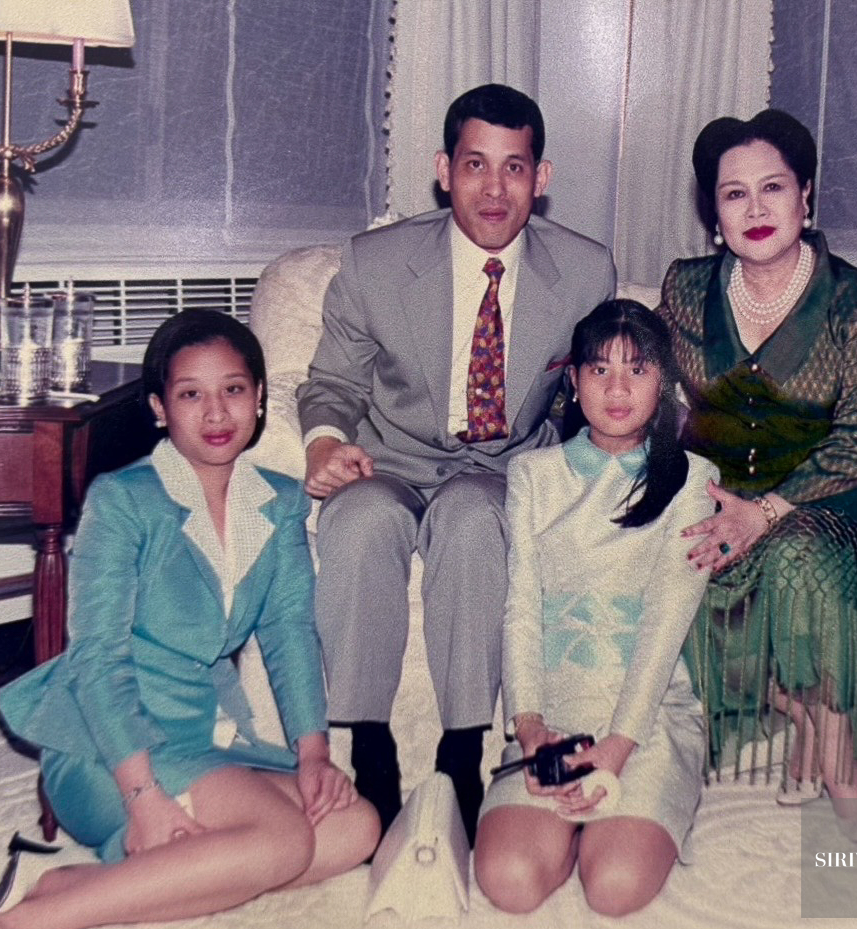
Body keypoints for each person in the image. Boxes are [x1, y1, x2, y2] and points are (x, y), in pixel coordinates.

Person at [296, 83, 616, 842]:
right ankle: (368, 745)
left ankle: (462, 748)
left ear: (541, 178)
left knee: (473, 518)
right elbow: (332, 383)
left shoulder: (585, 271)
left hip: (503, 469)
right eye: (476, 165)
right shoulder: (375, 263)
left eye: (514, 168)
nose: (494, 189)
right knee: (360, 521)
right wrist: (325, 444)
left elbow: (591, 396)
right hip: (390, 459)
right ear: (444, 170)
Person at [0, 310, 378, 929]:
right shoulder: (123, 500)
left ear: (258, 398)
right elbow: (96, 659)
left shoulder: (278, 501)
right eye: (191, 395)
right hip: (109, 745)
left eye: (233, 389)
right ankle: (29, 921)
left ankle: (68, 879)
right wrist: (143, 795)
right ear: (159, 407)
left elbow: (289, 633)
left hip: (203, 733)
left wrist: (313, 755)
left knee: (353, 828)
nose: (216, 413)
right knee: (283, 839)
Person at [654, 109, 857, 834]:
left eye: (773, 187)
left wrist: (762, 512)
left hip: (842, 497)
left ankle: (838, 745)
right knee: (668, 557)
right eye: (734, 193)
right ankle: (802, 713)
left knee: (797, 555)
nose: (756, 209)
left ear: (806, 196)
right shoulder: (684, 288)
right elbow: (650, 396)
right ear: (713, 212)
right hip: (720, 494)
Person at [473, 300, 716, 916]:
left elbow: (665, 627)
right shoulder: (533, 475)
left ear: (663, 383)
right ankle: (560, 828)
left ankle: (615, 822)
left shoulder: (693, 481)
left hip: (645, 722)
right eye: (600, 369)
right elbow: (521, 606)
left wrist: (617, 748)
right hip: (553, 720)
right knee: (508, 880)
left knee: (614, 888)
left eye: (637, 370)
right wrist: (531, 730)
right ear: (574, 383)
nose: (617, 389)